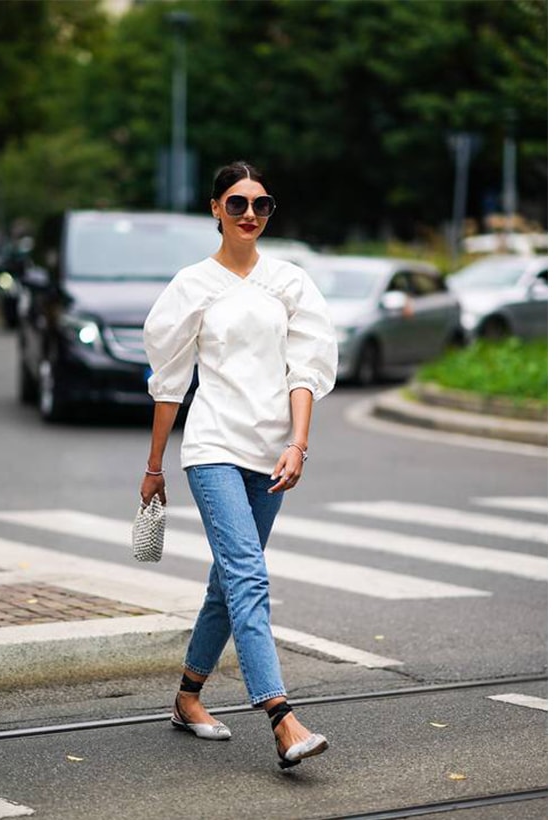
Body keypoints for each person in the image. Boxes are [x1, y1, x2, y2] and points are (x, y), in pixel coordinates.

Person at [140, 161, 338, 769]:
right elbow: (169, 381)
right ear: (215, 208)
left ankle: (188, 696)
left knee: (228, 584)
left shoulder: (290, 282)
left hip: (273, 451)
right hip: (213, 448)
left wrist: (298, 443)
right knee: (249, 575)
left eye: (261, 204)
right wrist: (154, 468)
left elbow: (304, 369)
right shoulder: (192, 285)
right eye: (237, 203)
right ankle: (281, 717)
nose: (250, 214)